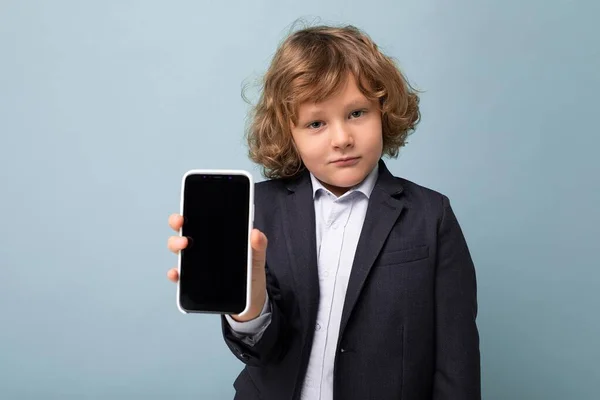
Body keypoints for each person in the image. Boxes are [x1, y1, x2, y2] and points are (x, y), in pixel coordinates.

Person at [166, 24, 480, 400]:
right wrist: (250, 303)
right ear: (289, 132)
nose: (342, 138)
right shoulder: (260, 209)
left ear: (383, 110)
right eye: (316, 123)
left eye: (357, 113)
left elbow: (456, 363)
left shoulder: (431, 216)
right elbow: (262, 349)